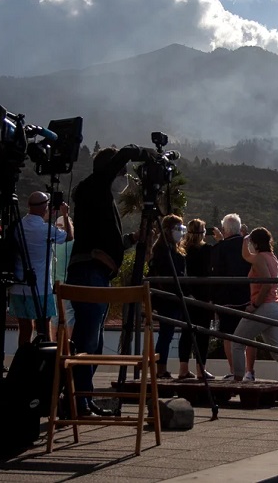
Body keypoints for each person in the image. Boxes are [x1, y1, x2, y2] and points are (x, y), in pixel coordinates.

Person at [66, 145, 146, 416]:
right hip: (90, 271)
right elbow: (121, 155)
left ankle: (83, 399)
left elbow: (106, 241)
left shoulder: (98, 198)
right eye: (121, 171)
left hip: (96, 272)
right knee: (88, 340)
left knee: (93, 342)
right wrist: (139, 152)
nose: (124, 177)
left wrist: (131, 241)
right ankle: (77, 400)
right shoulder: (96, 187)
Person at [233, 227, 278, 397]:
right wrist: (245, 239)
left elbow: (267, 284)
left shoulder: (259, 259)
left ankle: (237, 383)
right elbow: (245, 256)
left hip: (264, 307)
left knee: (236, 342)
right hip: (277, 307)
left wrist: (255, 305)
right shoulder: (272, 257)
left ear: (255, 243)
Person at [8, 191, 73, 347]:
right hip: (41, 288)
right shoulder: (46, 230)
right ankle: (46, 366)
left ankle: (24, 362)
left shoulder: (18, 226)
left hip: (18, 286)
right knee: (44, 328)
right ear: (45, 207)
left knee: (25, 329)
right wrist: (65, 215)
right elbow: (69, 236)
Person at [210, 213, 256, 380]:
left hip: (226, 299)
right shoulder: (248, 246)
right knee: (249, 336)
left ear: (224, 230)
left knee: (228, 335)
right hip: (248, 296)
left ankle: (234, 371)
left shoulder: (220, 248)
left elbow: (214, 272)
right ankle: (249, 371)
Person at [149, 214, 193, 379]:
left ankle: (165, 368)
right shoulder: (162, 250)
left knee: (175, 332)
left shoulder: (176, 250)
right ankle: (161, 369)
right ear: (167, 230)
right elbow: (164, 274)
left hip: (177, 296)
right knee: (166, 334)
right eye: (177, 229)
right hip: (167, 298)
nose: (180, 232)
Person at [182, 218, 216, 380]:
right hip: (203, 297)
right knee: (202, 335)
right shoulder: (207, 249)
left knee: (186, 332)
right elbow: (210, 272)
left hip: (187, 296)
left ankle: (183, 369)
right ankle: (201, 370)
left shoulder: (183, 249)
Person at [53, 216, 75, 336]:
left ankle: (53, 346)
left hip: (53, 286)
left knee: (54, 317)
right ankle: (68, 347)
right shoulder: (74, 244)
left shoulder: (52, 243)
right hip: (68, 286)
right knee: (69, 315)